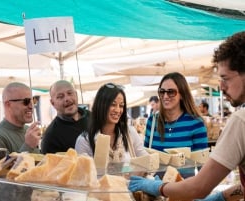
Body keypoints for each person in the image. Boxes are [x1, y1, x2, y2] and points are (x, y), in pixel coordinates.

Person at [129, 31, 245, 201]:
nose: (220, 86)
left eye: (225, 78)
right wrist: (221, 197)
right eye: (162, 91)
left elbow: (199, 186)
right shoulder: (152, 121)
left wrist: (154, 187)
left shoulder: (240, 120)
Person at [75, 83, 148, 163]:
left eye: (121, 106)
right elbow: (84, 173)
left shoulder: (129, 133)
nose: (117, 110)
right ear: (101, 105)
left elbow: (146, 160)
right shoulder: (84, 141)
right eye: (113, 104)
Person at [144, 72, 208, 152]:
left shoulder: (196, 123)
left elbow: (201, 161)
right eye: (162, 91)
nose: (165, 96)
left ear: (182, 95)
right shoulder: (152, 121)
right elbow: (146, 157)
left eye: (171, 92)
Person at [0, 82, 40, 154]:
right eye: (26, 101)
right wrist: (28, 146)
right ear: (8, 104)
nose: (31, 106)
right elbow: (3, 165)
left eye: (33, 101)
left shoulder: (28, 130)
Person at [41, 80, 90, 154]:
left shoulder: (94, 117)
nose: (67, 99)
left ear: (76, 95)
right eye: (60, 97)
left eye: (70, 93)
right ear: (52, 103)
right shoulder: (51, 136)